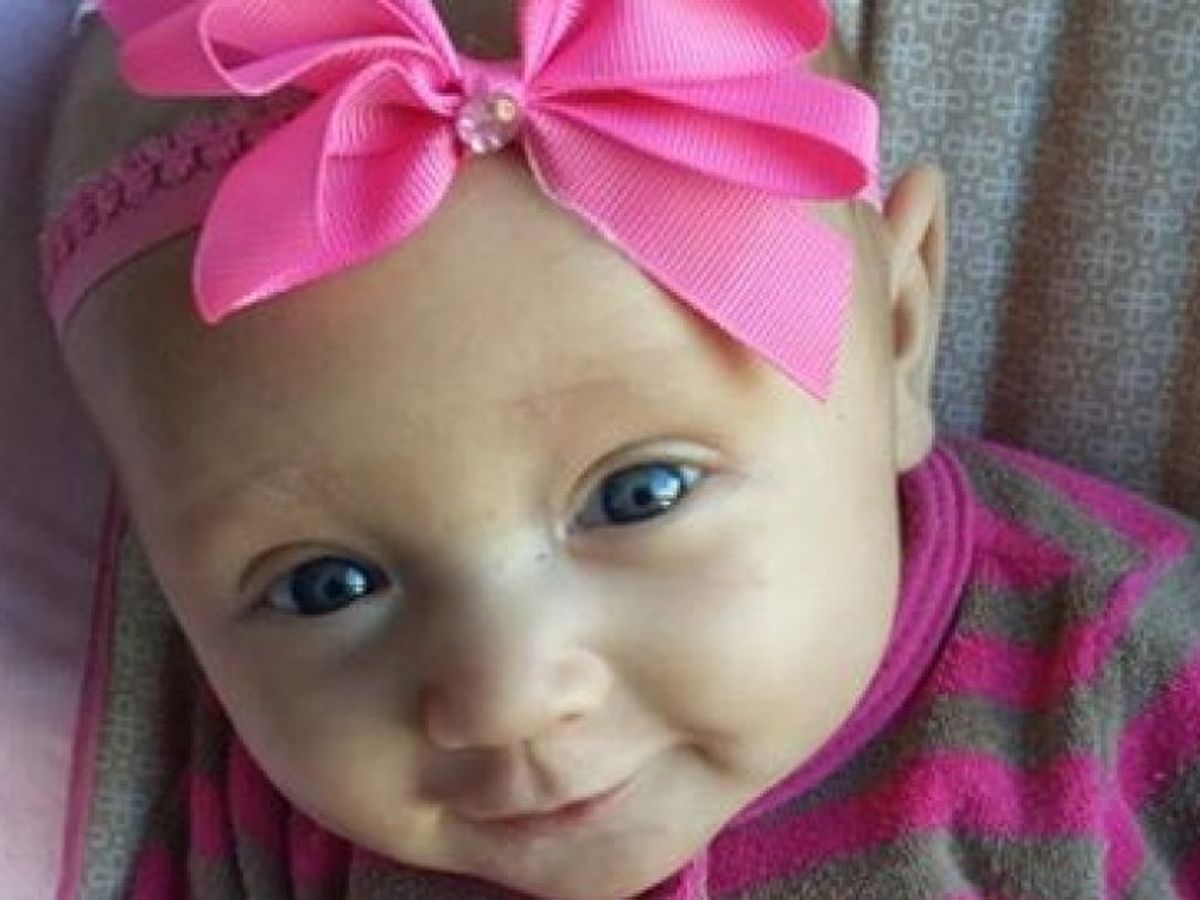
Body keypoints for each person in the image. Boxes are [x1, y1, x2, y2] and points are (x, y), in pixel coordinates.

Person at [39, 1, 1200, 898]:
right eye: (325, 586)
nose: (507, 696)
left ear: (897, 331)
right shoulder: (258, 816)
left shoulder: (1117, 670)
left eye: (642, 493)